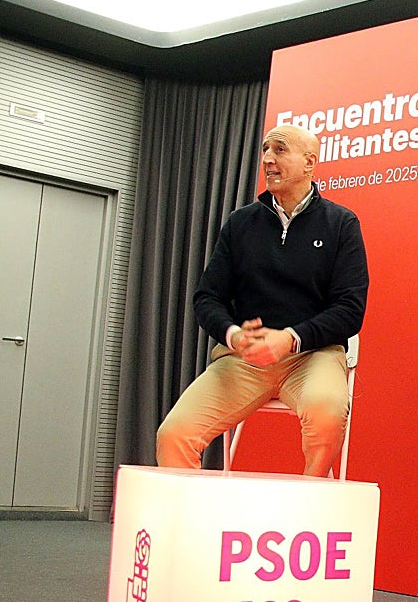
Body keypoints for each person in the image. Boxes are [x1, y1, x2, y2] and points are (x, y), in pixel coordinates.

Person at [156, 125, 368, 477]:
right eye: (265, 149)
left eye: (280, 150)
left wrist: (290, 338)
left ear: (309, 163)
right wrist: (234, 335)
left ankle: (309, 511)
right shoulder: (241, 224)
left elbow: (350, 310)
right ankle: (196, 526)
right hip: (244, 359)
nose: (267, 159)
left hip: (310, 357)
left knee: (327, 410)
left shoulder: (341, 224)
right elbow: (207, 297)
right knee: (174, 434)